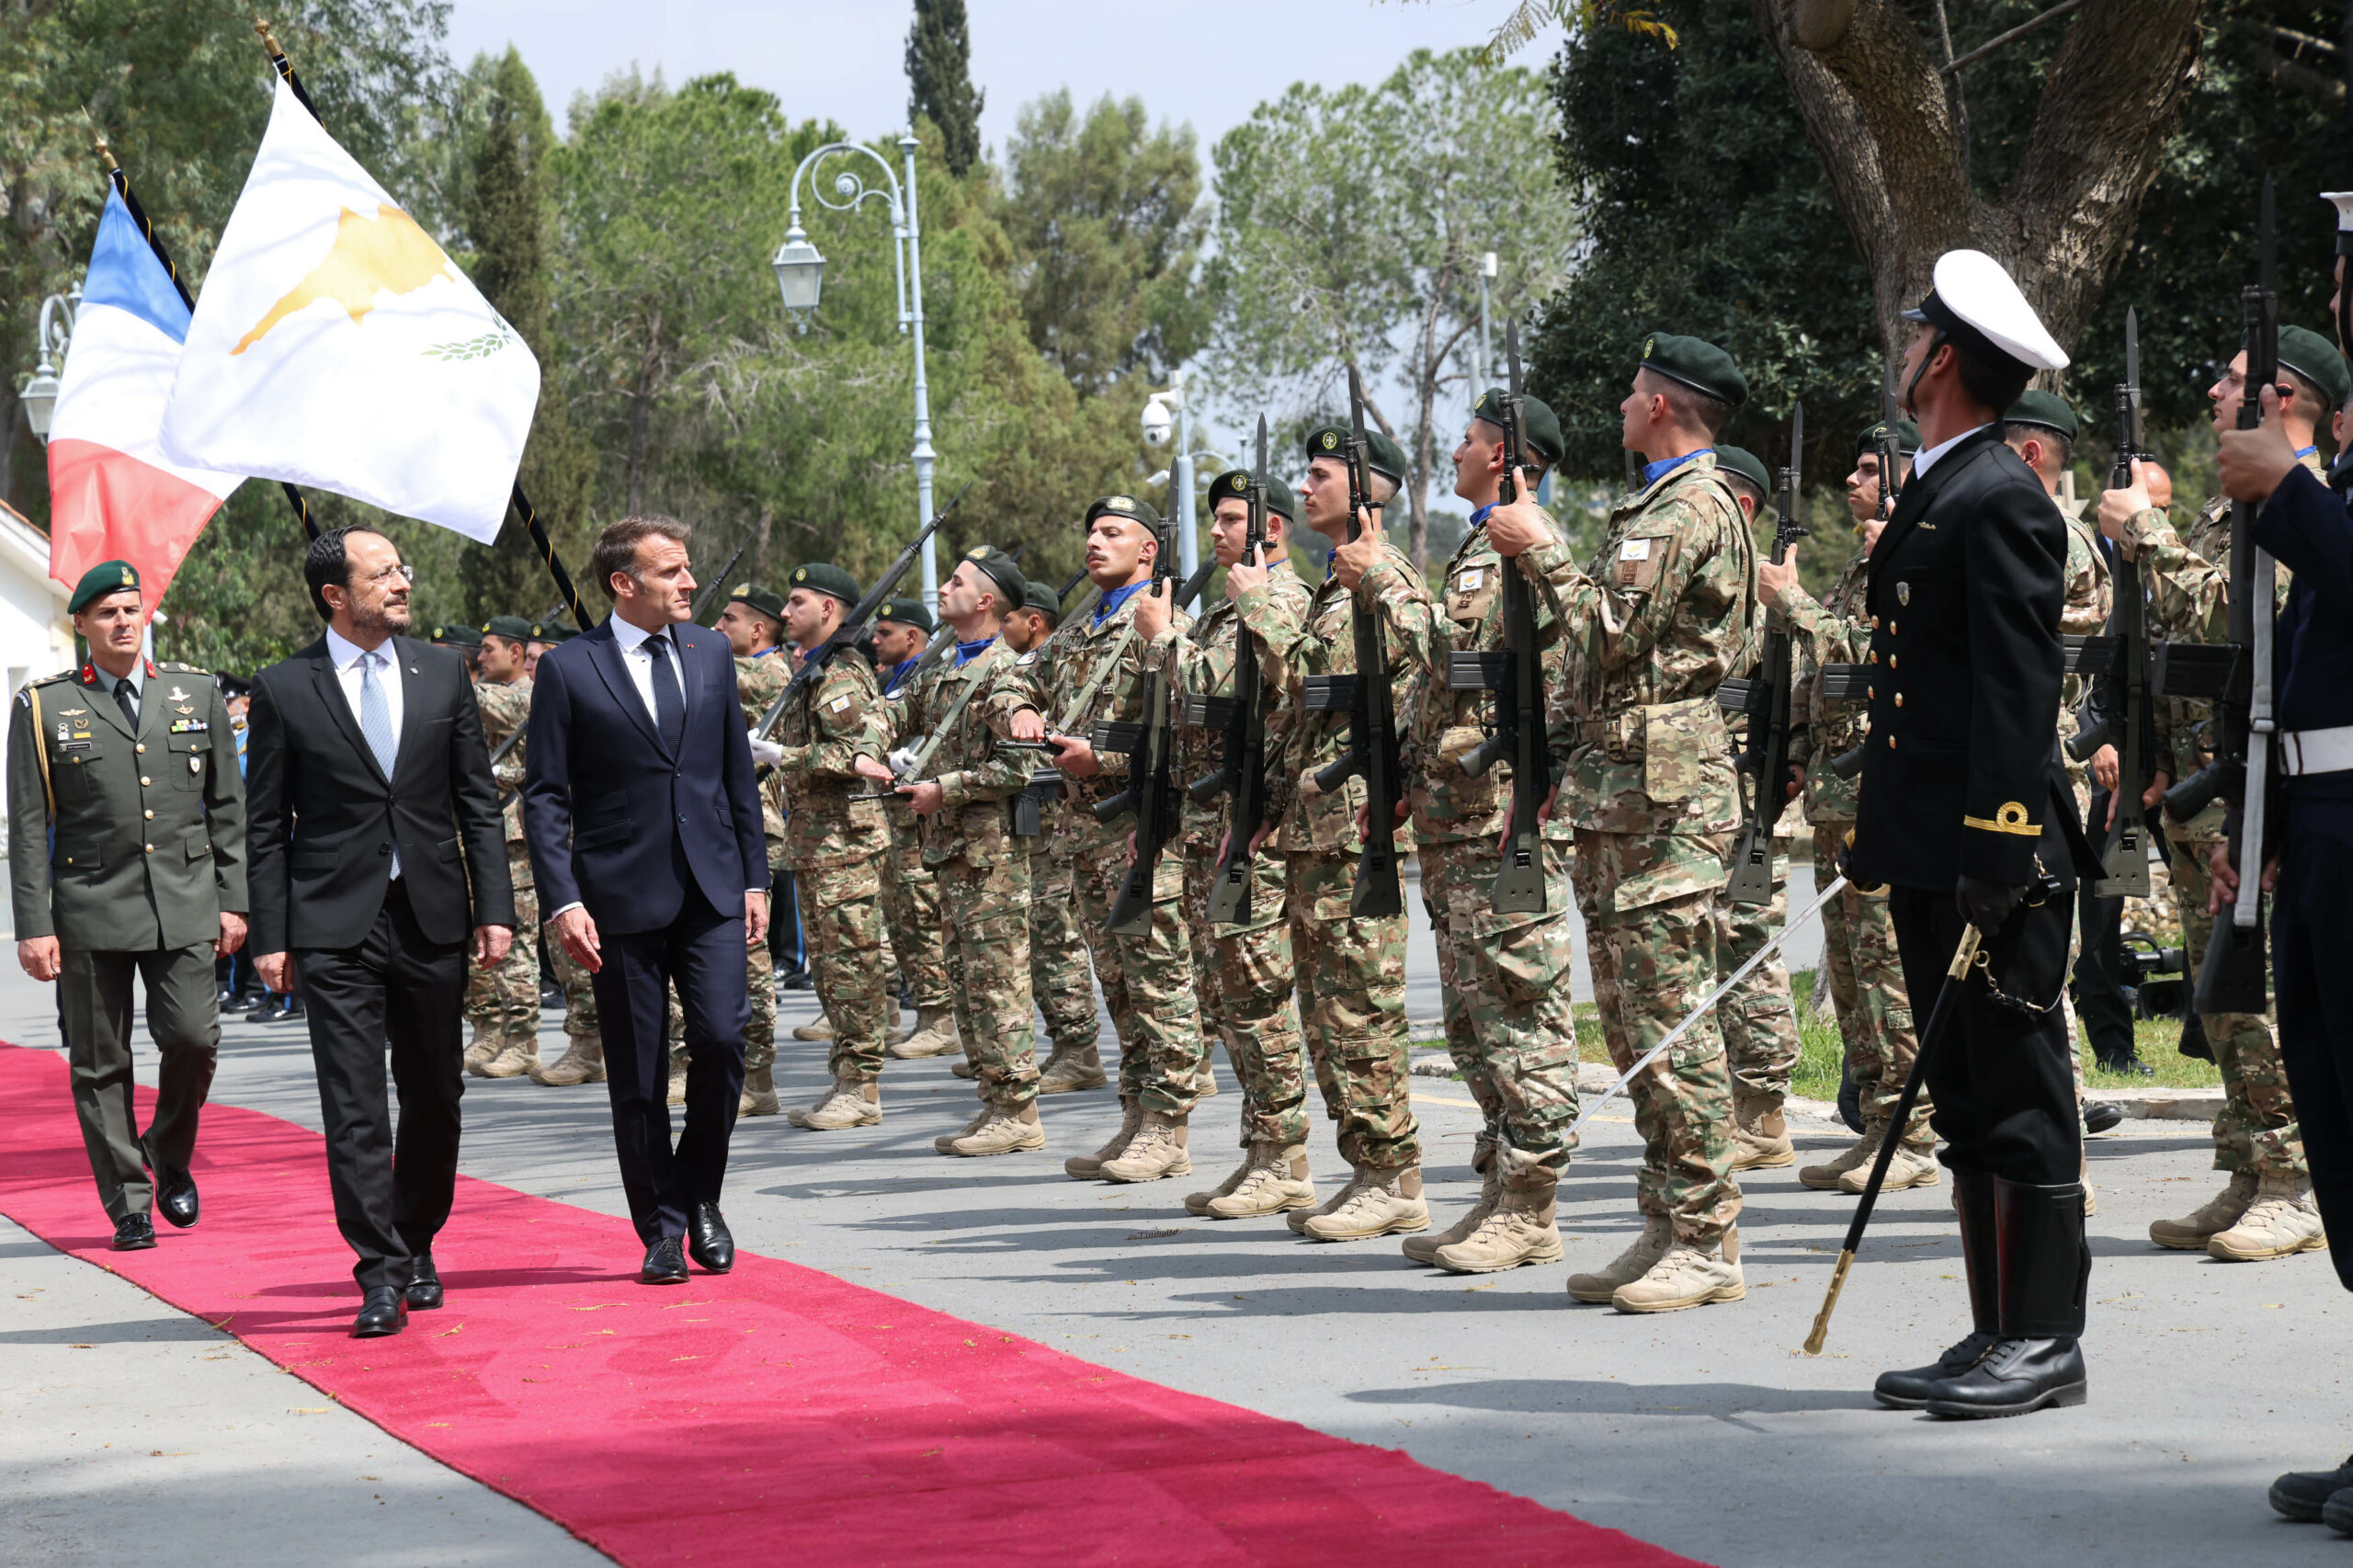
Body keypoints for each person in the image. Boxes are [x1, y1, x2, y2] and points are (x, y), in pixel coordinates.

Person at [1847, 250, 2094, 1417]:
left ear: (1942, 358)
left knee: (2018, 1089)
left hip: (1990, 854)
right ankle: (1996, 1322)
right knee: (1960, 1090)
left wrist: (1998, 847)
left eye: (1914, 338)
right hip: (1932, 847)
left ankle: (2045, 1337)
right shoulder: (1945, 481)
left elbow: (2015, 689)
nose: (1902, 354)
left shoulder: (1997, 491)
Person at [1488, 340, 1757, 1312]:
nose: (1616, 402)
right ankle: (1666, 1218)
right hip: (1623, 790)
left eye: (1630, 392)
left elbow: (1608, 632)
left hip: (1666, 800)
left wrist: (1541, 545)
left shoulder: (1689, 506)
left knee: (1671, 1020)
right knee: (1635, 1021)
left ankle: (1708, 1235)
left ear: (1662, 407)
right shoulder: (1655, 505)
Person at [2096, 326, 2338, 1262]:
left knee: (2262, 991)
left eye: (2233, 379)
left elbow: (2251, 624)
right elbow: (2178, 654)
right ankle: (2245, 1161)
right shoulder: (2220, 505)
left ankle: (2296, 1176)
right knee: (2218, 995)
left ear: (2282, 396)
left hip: (2262, 790)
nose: (2211, 391)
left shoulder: (2304, 499)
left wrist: (2146, 537)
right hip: (2202, 785)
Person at [246, 527, 514, 1336]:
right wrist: (270, 932)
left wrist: (494, 909)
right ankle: (378, 1270)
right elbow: (264, 826)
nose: (403, 582)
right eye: (383, 573)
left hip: (432, 914)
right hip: (333, 924)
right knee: (355, 1103)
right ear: (336, 595)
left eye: (402, 569)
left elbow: (477, 801)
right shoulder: (286, 686)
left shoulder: (441, 673)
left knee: (436, 1091)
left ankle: (417, 1237)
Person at [524, 516, 769, 1286]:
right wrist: (563, 901)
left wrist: (756, 877)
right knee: (637, 1073)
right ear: (623, 584)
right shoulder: (570, 668)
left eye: (688, 568)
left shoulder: (709, 653)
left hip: (713, 886)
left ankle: (700, 1196)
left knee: (725, 1040)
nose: (690, 583)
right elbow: (544, 797)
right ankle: (660, 1229)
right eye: (671, 572)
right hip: (618, 897)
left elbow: (736, 774)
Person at [7, 561, 247, 1251]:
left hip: (184, 902)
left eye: (131, 610)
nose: (122, 622)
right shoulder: (45, 705)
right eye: (107, 612)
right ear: (79, 624)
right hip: (89, 907)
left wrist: (234, 902)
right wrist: (34, 926)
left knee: (195, 1039)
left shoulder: (193, 693)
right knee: (100, 1063)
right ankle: (128, 1203)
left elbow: (228, 810)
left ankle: (167, 1150)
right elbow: (27, 825)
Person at [1236, 437, 1437, 1237]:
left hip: (1354, 824)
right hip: (1311, 827)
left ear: (1367, 493)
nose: (1304, 485)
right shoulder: (1334, 588)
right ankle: (1371, 1169)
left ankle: (1395, 1174)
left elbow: (1402, 675)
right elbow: (1303, 705)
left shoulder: (1382, 583)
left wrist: (1260, 607)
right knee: (1325, 1013)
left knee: (1361, 1008)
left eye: (1320, 475)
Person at [1404, 392, 1586, 1278]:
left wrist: (1391, 601)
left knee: (1521, 1013)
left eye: (1470, 440)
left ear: (1507, 455)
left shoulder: (1528, 546)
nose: (1455, 451)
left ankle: (1533, 1204)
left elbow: (1551, 672)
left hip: (1504, 814)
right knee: (1474, 1025)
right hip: (1455, 819)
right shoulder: (1479, 550)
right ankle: (1498, 1189)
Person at [2234, 219, 2353, 1530]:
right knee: (2334, 1112)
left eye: (2339, 283)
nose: (2333, 299)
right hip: (2321, 820)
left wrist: (2297, 494)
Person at [992, 495, 1204, 1184]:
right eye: (1091, 531)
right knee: (1116, 983)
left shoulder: (1166, 624)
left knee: (1158, 979)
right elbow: (1011, 687)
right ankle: (1139, 1114)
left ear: (1148, 551)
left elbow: (1190, 726)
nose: (1094, 541)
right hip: (1083, 832)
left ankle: (1170, 1125)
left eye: (1113, 533)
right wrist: (1022, 707)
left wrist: (1102, 756)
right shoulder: (1080, 634)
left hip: (1143, 828)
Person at [1760, 418, 1935, 1194]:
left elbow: (1878, 659)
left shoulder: (1916, 559)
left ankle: (1913, 1135)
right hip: (1837, 799)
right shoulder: (1858, 569)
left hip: (1885, 798)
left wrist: (1794, 604)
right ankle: (1877, 1123)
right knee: (1854, 972)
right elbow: (1823, 678)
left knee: (1887, 968)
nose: (1853, 482)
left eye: (1869, 470)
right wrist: (1794, 755)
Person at [1154, 469, 1319, 1221]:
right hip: (1212, 821)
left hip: (1251, 820)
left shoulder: (1277, 599)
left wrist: (1166, 641)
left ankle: (1284, 1156)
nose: (1215, 533)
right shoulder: (1230, 605)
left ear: (1270, 529)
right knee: (1227, 995)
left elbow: (1206, 698)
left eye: (1228, 520)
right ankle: (1262, 1147)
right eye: (1215, 519)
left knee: (1255, 994)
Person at [892, 546, 1044, 1155]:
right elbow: (895, 714)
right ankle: (994, 1102)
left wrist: (943, 788)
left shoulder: (1007, 673)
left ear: (985, 601)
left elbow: (1022, 766)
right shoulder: (942, 669)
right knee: (967, 981)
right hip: (951, 852)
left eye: (955, 581)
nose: (943, 588)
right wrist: (875, 751)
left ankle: (1018, 1110)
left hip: (991, 859)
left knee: (998, 983)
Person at [1703, 443, 1805, 1175]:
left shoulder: (1766, 597)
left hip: (1749, 798)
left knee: (1749, 943)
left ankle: (1764, 1109)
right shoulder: (1713, 588)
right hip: (1706, 795)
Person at [766, 564, 894, 1131]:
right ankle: (846, 1078)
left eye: (797, 602)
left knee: (853, 967)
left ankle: (863, 1087)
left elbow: (855, 757)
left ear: (828, 609)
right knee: (828, 969)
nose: (786, 613)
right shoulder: (812, 670)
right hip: (818, 841)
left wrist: (781, 757)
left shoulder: (841, 674)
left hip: (846, 841)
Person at [1005, 579, 1105, 1092]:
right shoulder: (1033, 673)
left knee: (1059, 934)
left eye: (1010, 619)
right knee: (1047, 933)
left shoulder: (1067, 663)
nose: (1003, 628)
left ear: (1035, 621)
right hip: (1041, 816)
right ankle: (1069, 1044)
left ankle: (1080, 1048)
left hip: (1066, 814)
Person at [713, 584, 793, 1116]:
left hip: (752, 826)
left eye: (728, 620)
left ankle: (757, 1075)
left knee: (748, 951)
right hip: (724, 822)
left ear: (757, 631)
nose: (718, 630)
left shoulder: (768, 672)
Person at [871, 596, 956, 1056]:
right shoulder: (895, 679)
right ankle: (929, 1012)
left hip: (923, 816)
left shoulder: (932, 675)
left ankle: (940, 1018)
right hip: (895, 815)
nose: (875, 640)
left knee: (922, 916)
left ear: (912, 637)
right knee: (902, 917)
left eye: (885, 633)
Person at [462, 616, 542, 1081]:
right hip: (490, 831)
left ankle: (523, 1038)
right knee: (485, 941)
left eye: (489, 649)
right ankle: (496, 1030)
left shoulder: (526, 697)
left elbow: (471, 699)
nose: (479, 657)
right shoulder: (490, 697)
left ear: (516, 654)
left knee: (516, 942)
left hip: (517, 834)